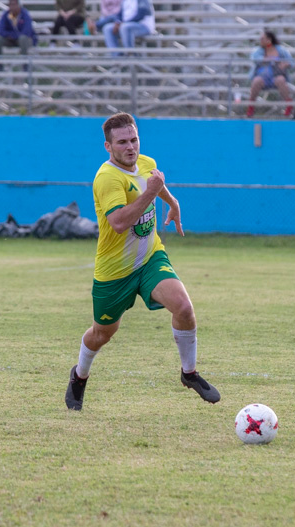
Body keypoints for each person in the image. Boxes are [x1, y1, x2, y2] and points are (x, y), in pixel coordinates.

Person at [64, 112, 220, 411]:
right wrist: (150, 193)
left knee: (184, 307)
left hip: (149, 258)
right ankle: (80, 375)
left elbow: (155, 183)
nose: (130, 147)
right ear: (108, 146)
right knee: (102, 334)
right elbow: (119, 223)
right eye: (122, 142)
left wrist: (172, 203)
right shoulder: (107, 178)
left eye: (134, 140)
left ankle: (189, 373)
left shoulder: (146, 162)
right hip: (114, 271)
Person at [246, 30, 295, 118]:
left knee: (281, 80)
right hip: (263, 77)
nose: (260, 40)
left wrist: (285, 64)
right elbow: (254, 59)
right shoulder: (258, 51)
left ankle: (289, 105)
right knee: (256, 81)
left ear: (269, 40)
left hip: (275, 77)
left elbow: (291, 62)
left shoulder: (281, 50)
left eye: (262, 39)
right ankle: (251, 106)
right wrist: (266, 59)